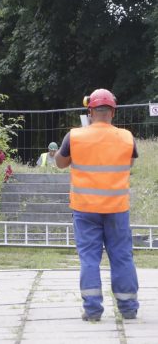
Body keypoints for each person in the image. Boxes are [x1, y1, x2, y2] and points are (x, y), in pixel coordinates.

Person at [55, 88, 139, 322]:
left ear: (90, 111)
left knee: (90, 258)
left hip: (85, 209)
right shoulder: (126, 137)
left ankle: (92, 310)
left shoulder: (74, 136)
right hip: (117, 209)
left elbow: (60, 163)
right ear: (113, 112)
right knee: (122, 256)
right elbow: (129, 163)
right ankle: (128, 308)